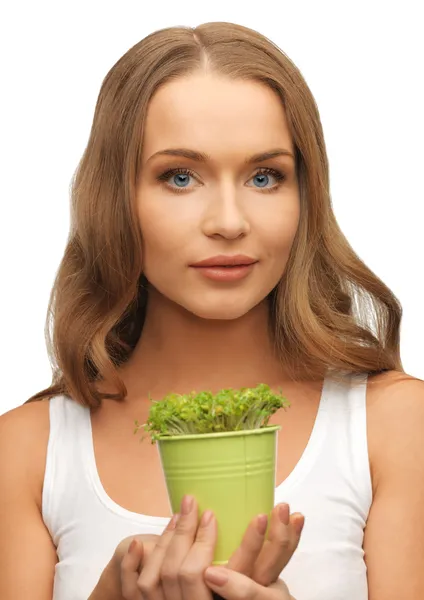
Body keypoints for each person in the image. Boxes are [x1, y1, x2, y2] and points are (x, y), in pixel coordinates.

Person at [0, 20, 423, 600]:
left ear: (306, 195)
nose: (229, 220)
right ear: (114, 198)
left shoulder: (396, 427)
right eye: (180, 177)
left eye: (264, 176)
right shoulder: (25, 453)